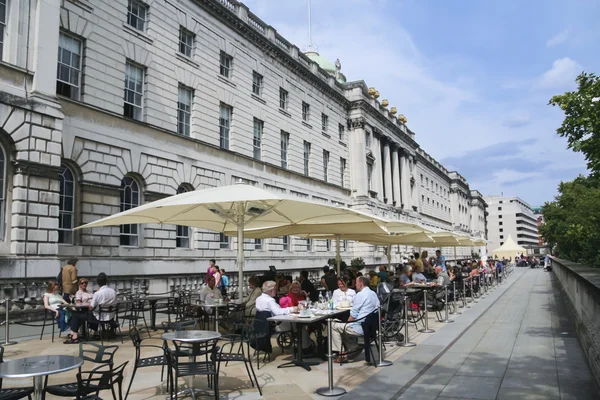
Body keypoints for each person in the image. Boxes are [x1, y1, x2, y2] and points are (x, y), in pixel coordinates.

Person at [331, 276, 379, 363]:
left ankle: (342, 353)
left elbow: (353, 315)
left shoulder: (360, 295)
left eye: (356, 283)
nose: (355, 285)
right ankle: (353, 348)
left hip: (361, 327)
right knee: (342, 327)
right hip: (372, 327)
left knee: (333, 325)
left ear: (361, 284)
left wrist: (347, 323)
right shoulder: (373, 293)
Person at [67, 273, 117, 344]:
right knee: (93, 313)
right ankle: (94, 333)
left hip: (100, 317)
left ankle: (74, 335)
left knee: (76, 314)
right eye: (82, 283)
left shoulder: (98, 293)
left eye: (86, 283)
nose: (84, 284)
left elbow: (91, 307)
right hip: (111, 317)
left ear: (98, 282)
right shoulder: (113, 291)